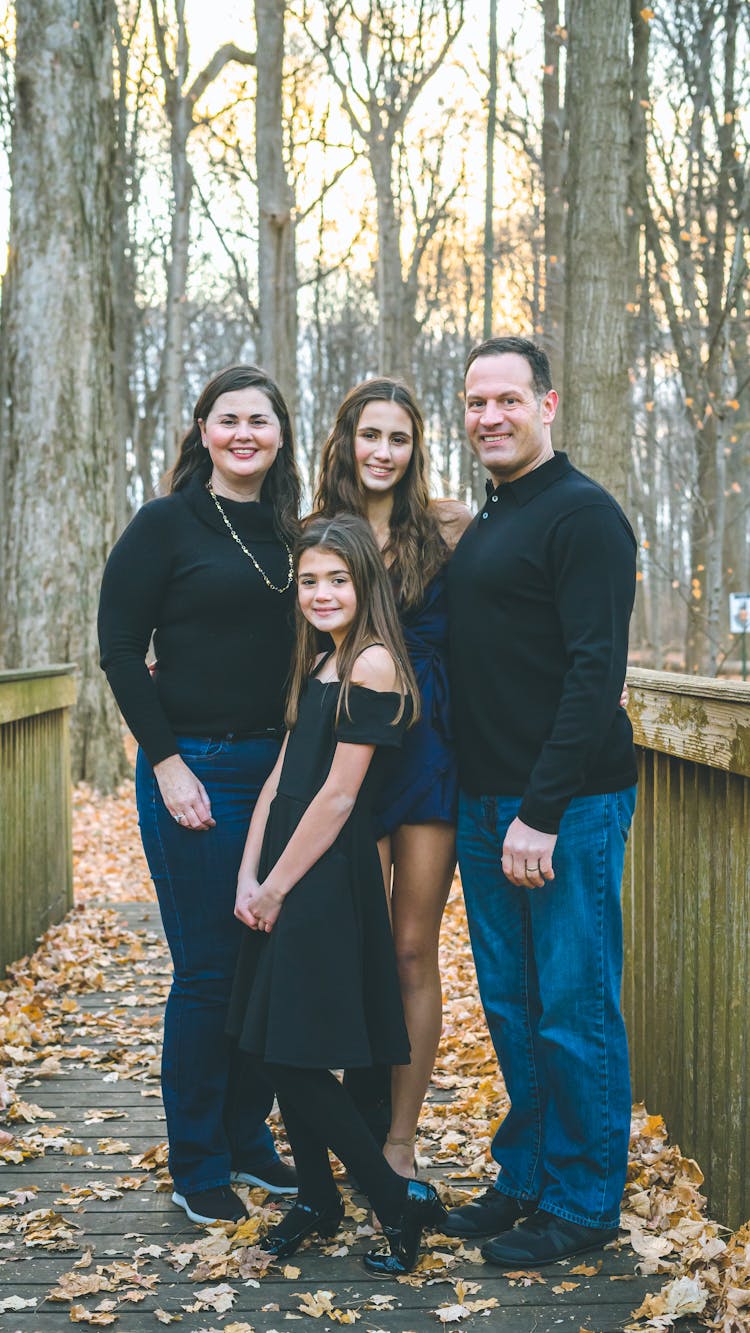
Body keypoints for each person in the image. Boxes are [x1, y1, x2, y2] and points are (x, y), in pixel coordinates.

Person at [444, 336, 638, 1267]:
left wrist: (543, 810)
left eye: (507, 400)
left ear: (548, 404)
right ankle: (525, 1175)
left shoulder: (584, 517)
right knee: (513, 1005)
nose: (489, 416)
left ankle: (585, 1200)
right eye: (476, 402)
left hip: (568, 806)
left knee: (574, 1007)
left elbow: (598, 670)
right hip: (485, 805)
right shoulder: (489, 519)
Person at [98, 365, 302, 1225]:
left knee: (264, 968)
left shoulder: (300, 530)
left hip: (284, 769)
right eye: (229, 419)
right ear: (203, 430)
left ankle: (249, 1140)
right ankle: (199, 1160)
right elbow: (118, 648)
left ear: (281, 434)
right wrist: (168, 760)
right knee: (211, 970)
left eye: (260, 419)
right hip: (198, 768)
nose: (244, 432)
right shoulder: (166, 524)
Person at [226, 514, 448, 1275]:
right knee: (266, 1042)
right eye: (309, 581)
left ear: (365, 584)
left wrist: (280, 885)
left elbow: (336, 798)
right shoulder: (320, 660)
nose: (321, 593)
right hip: (285, 868)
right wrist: (248, 874)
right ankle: (318, 1198)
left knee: (292, 1056)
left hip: (324, 876)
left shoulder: (375, 664)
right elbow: (282, 779)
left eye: (337, 579)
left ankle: (393, 1201)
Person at [313, 379, 472, 1178]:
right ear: (345, 439)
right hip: (347, 752)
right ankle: (346, 1120)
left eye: (399, 437)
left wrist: (604, 662)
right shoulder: (310, 533)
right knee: (352, 945)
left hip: (429, 754)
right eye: (369, 434)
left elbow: (521, 607)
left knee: (412, 949)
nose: (383, 450)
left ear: (415, 448)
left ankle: (400, 1139)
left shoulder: (449, 525)